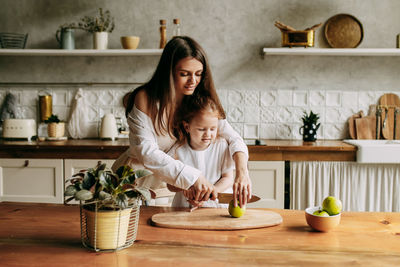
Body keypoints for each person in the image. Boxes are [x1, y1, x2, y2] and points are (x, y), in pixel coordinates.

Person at [112, 36, 251, 207]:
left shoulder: (197, 102)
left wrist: (242, 173)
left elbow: (233, 139)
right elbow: (146, 152)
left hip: (170, 186)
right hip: (134, 183)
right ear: (168, 72)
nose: (193, 81)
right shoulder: (145, 98)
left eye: (198, 74)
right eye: (184, 74)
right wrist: (194, 177)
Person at [167, 94, 234, 208]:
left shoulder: (221, 146)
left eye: (213, 129)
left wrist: (212, 192)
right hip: (185, 207)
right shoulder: (177, 150)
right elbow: (170, 185)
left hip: (217, 208)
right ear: (187, 127)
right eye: (201, 129)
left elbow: (228, 178)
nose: (208, 134)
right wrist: (185, 186)